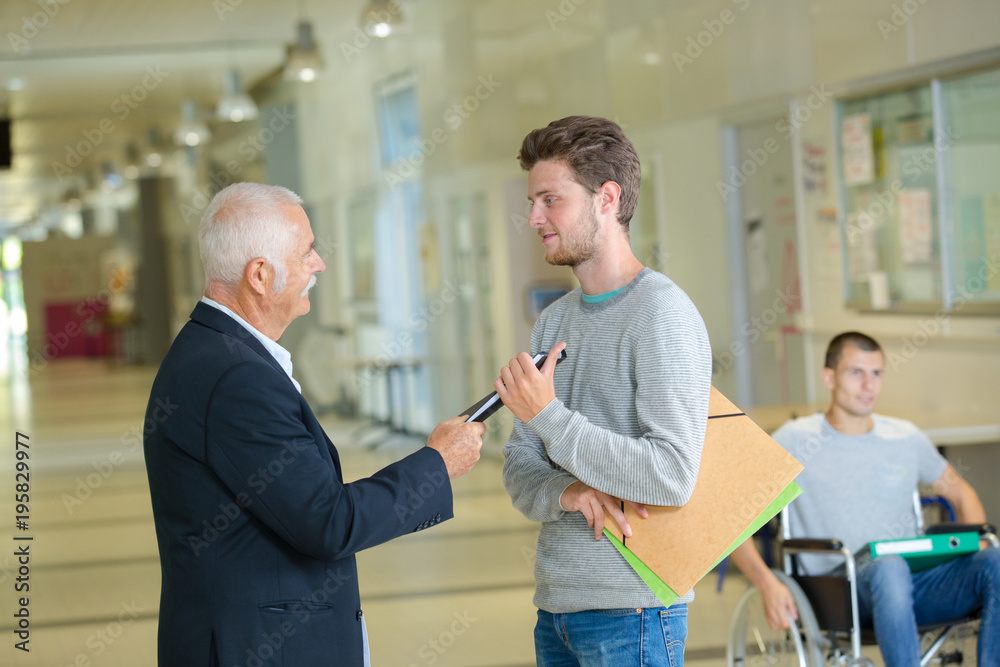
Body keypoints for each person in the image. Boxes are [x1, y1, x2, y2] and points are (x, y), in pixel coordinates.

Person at [143, 182, 486, 667]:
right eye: (307, 252)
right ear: (260, 275)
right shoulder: (237, 377)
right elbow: (329, 522)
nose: (319, 264)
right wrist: (437, 464)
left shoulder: (212, 352)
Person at [497, 116, 713, 666]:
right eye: (532, 201)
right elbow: (520, 468)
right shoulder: (552, 324)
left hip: (635, 612)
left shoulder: (660, 313)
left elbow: (670, 475)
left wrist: (549, 417)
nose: (533, 218)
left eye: (550, 199)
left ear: (606, 199)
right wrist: (568, 493)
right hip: (558, 608)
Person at [730, 331, 999, 666]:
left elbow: (961, 492)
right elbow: (732, 519)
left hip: (917, 584)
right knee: (889, 567)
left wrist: (973, 544)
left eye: (876, 373)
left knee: (994, 561)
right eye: (856, 372)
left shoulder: (905, 436)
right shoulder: (795, 440)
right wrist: (766, 582)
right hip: (840, 592)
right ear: (829, 377)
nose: (868, 385)